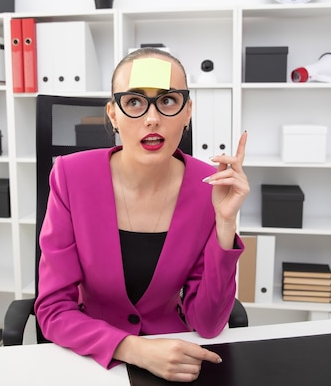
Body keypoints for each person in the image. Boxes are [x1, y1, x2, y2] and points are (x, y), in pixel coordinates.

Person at [35, 47, 250, 382]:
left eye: (167, 101)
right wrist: (133, 349)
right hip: (93, 357)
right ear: (113, 114)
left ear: (187, 111)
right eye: (134, 102)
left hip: (173, 358)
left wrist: (225, 224)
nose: (152, 118)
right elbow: (52, 311)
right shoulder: (70, 176)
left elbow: (207, 324)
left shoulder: (210, 186)